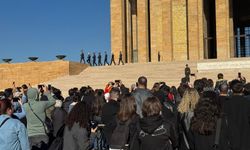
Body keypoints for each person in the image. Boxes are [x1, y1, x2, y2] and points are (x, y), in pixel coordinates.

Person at [222, 80, 250, 150]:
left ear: (231, 89)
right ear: (242, 89)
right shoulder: (247, 102)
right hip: (246, 134)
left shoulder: (226, 103)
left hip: (231, 135)